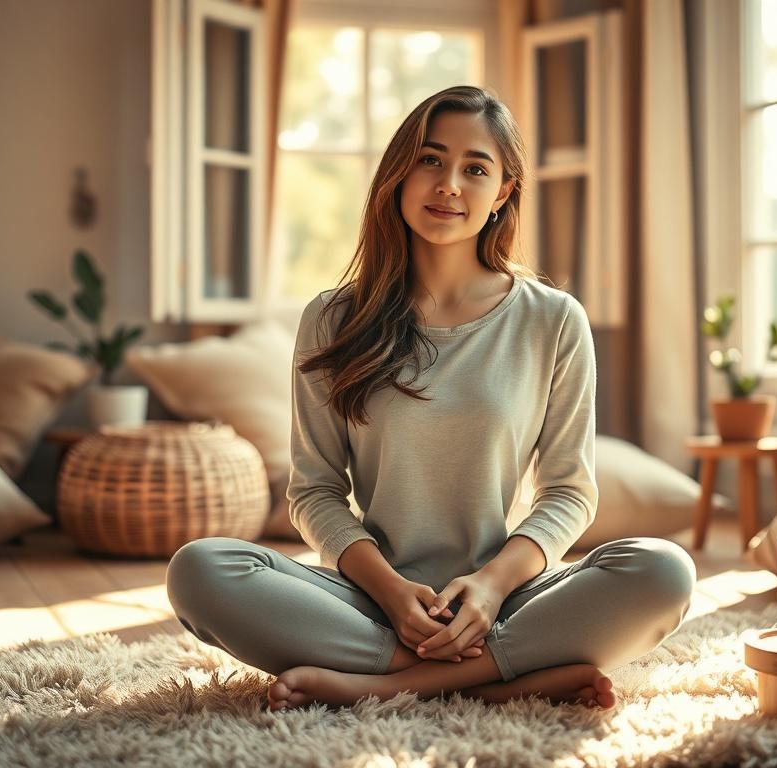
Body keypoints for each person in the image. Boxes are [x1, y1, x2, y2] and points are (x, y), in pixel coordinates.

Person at [166, 85, 696, 713]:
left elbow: (569, 493)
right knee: (200, 569)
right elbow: (314, 492)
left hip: (506, 599)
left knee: (663, 570)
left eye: (476, 169)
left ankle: (383, 685)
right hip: (369, 601)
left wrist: (491, 587)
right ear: (399, 173)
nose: (449, 185)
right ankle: (502, 679)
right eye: (430, 160)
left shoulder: (553, 320)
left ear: (504, 192)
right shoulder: (333, 319)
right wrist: (393, 595)